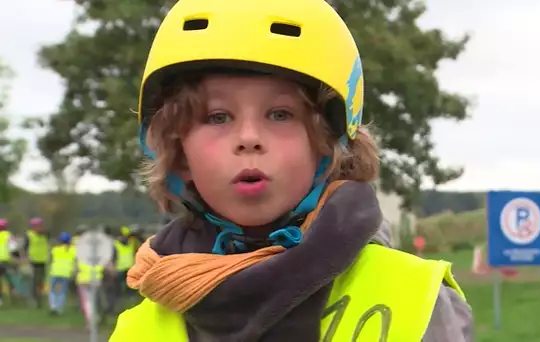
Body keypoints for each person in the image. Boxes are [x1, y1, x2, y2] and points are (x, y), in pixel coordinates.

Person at [110, 0, 473, 341]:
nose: (249, 138)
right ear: (179, 154)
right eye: (218, 117)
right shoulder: (139, 328)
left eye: (280, 114)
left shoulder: (413, 298)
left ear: (329, 142)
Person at [24, 217, 49, 308]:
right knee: (34, 281)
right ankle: (34, 299)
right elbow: (25, 247)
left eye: (40, 226)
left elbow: (47, 235)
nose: (39, 228)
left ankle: (39, 298)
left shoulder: (45, 234)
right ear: (33, 227)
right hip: (33, 261)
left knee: (41, 281)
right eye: (37, 226)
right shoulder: (29, 235)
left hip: (43, 260)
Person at [48, 232, 76, 315]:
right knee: (62, 291)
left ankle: (53, 306)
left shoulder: (55, 249)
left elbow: (51, 258)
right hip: (66, 273)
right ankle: (59, 309)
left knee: (53, 290)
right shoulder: (73, 250)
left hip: (55, 271)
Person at [0, 219, 11, 306]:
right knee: (10, 279)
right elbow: (14, 247)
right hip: (6, 260)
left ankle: (0, 299)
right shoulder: (8, 235)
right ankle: (12, 296)